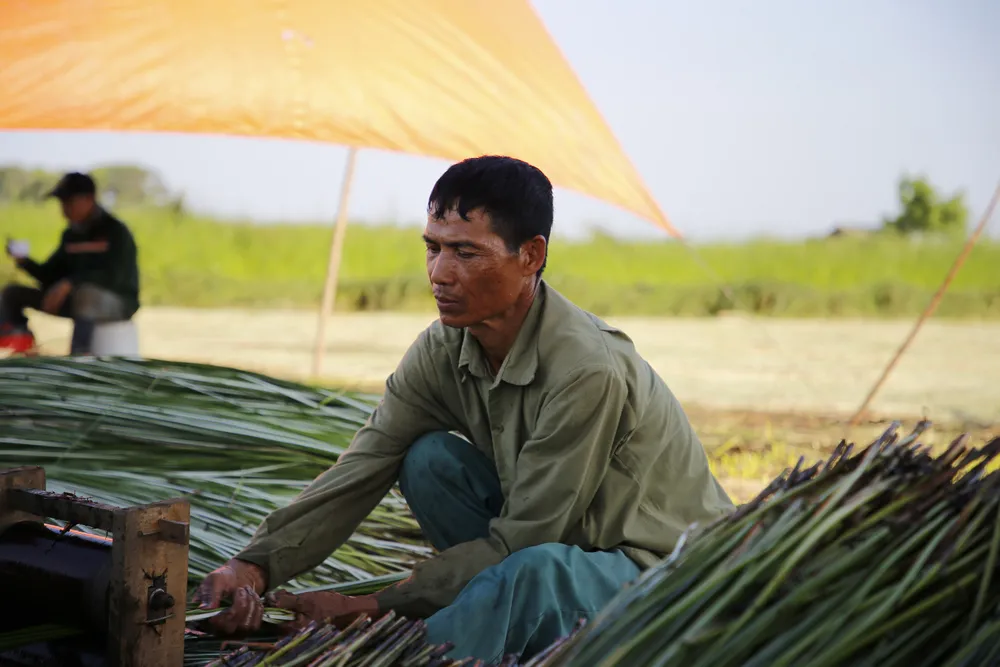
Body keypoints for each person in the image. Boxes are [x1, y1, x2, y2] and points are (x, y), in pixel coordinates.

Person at [194, 155, 734, 664]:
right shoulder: (442, 348)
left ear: (531, 256)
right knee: (427, 461)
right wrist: (254, 567)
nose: (439, 273)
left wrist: (377, 608)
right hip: (556, 544)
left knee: (530, 573)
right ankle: (477, 612)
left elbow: (526, 539)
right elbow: (365, 463)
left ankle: (423, 649)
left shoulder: (586, 368)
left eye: (466, 253)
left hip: (660, 570)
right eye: (433, 247)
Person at [0, 172, 140, 355]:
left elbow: (115, 276)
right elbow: (50, 275)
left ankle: (79, 355)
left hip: (117, 304)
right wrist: (24, 261)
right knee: (11, 293)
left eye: (69, 202)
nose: (64, 208)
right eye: (61, 203)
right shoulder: (71, 235)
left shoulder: (116, 232)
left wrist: (70, 283)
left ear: (89, 199)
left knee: (85, 295)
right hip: (76, 301)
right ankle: (21, 345)